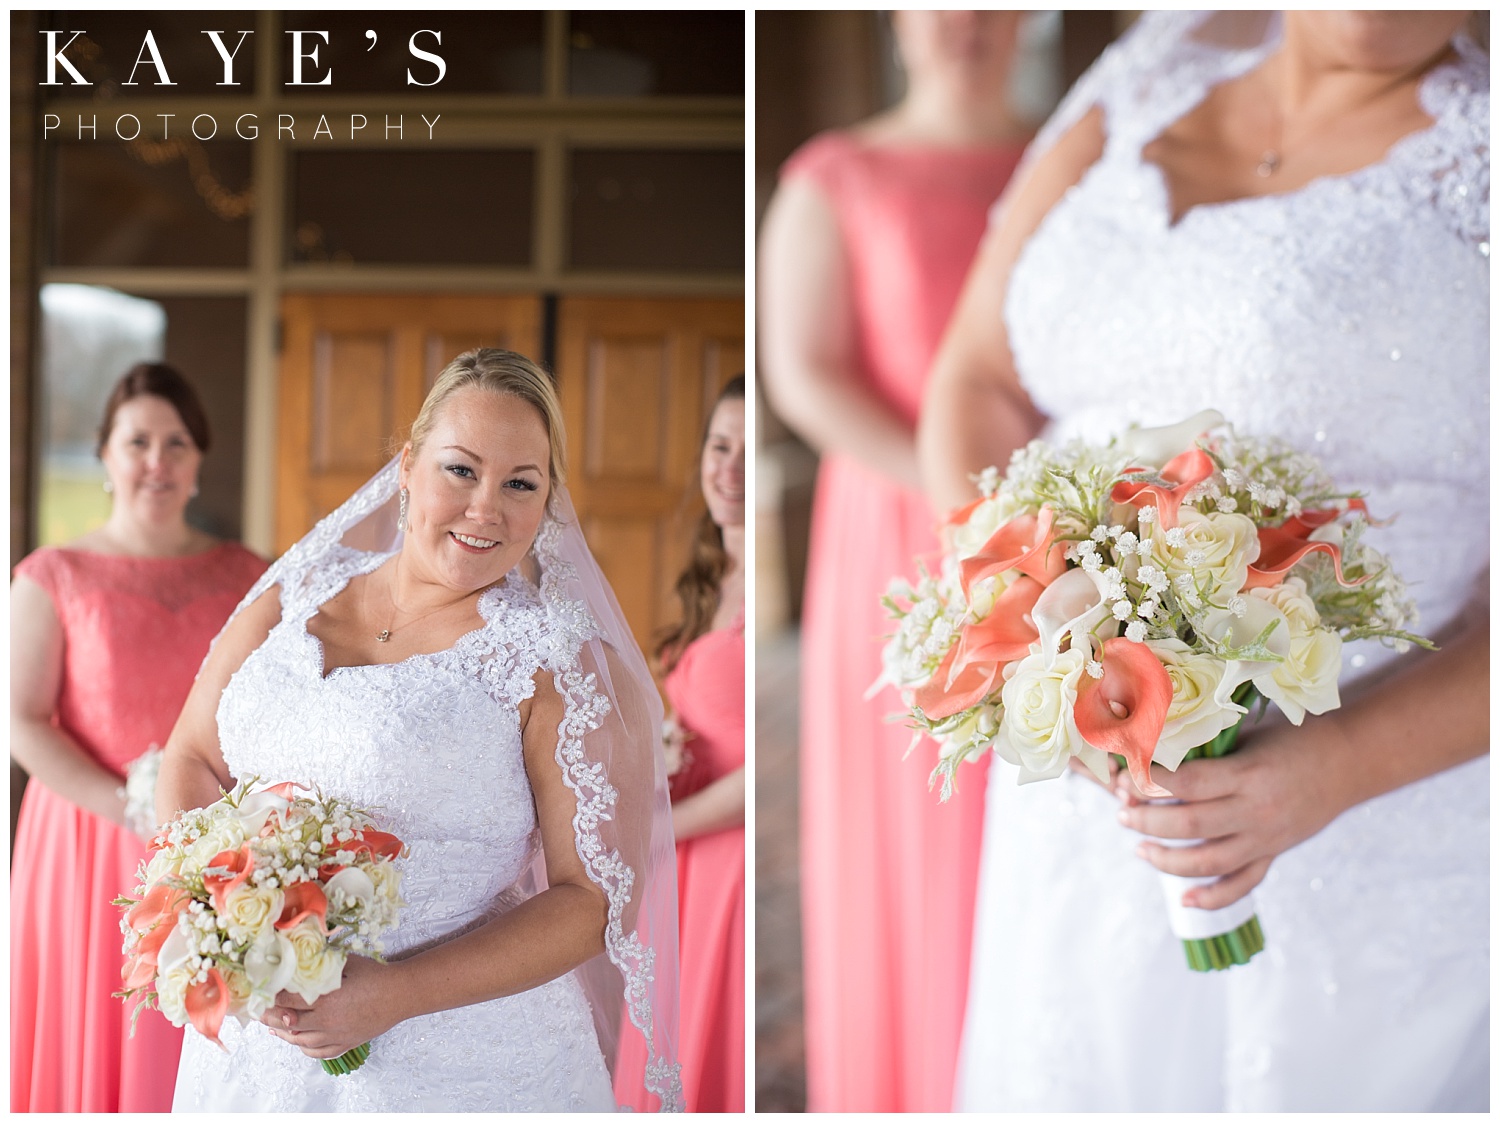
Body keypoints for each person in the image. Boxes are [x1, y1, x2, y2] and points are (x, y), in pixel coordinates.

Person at [917, 11, 1487, 1111]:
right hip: (1083, 780)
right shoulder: (1143, 83)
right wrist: (1027, 618)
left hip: (1367, 806)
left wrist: (1327, 772)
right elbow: (976, 375)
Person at [156, 348, 681, 1111]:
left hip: (462, 1064)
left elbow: (593, 899)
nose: (485, 508)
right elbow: (194, 753)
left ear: (548, 504)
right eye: (460, 470)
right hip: (253, 1049)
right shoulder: (293, 593)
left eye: (520, 484)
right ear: (407, 466)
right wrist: (219, 921)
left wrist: (396, 993)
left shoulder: (554, 666)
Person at [758, 11, 1030, 1111]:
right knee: (924, 819)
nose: (965, 22)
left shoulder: (1081, 154)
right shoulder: (838, 175)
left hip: (1066, 525)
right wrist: (960, 490)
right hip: (907, 536)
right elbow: (805, 371)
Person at [10, 362, 267, 1112]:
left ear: (198, 462)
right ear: (105, 456)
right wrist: (126, 802)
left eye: (177, 443)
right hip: (90, 839)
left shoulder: (250, 575)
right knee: (98, 1024)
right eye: (139, 441)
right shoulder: (52, 574)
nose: (158, 460)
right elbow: (20, 717)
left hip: (217, 841)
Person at [619, 376, 746, 1111]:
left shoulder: (767, 587)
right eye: (718, 445)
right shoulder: (713, 576)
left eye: (746, 450)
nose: (728, 468)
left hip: (726, 851)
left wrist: (658, 828)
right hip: (682, 855)